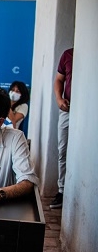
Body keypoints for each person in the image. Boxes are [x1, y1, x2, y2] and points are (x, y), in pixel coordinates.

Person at [51, 47, 73, 209]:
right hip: (68, 109)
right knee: (63, 150)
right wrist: (59, 99)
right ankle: (62, 190)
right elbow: (59, 79)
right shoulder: (68, 54)